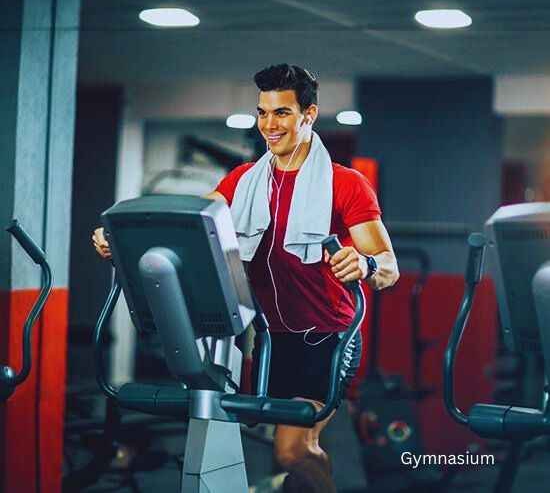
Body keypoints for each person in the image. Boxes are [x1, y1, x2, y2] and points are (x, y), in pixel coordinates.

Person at [92, 64, 399, 489]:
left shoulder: (344, 185)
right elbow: (187, 226)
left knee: (291, 449)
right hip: (272, 339)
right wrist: (122, 240)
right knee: (291, 450)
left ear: (309, 115)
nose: (269, 125)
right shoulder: (244, 181)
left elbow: (389, 266)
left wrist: (364, 265)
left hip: (329, 337)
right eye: (263, 113)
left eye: (282, 113)